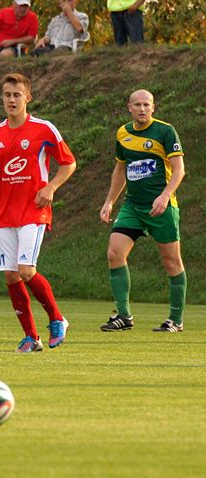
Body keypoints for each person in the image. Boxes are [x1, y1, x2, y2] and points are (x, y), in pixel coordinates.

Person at [0, 73, 76, 353]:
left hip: (33, 210)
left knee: (27, 271)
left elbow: (68, 163)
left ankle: (57, 319)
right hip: (4, 214)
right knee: (11, 276)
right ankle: (31, 337)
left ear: (28, 98)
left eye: (16, 95)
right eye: (7, 95)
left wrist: (51, 187)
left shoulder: (43, 129)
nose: (11, 100)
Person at [99, 90, 186, 333]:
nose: (142, 109)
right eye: (137, 104)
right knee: (114, 253)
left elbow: (179, 170)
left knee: (171, 262)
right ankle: (124, 316)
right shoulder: (123, 133)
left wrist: (165, 195)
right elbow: (120, 170)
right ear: (129, 107)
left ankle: (176, 320)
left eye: (146, 104)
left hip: (162, 207)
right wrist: (109, 202)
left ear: (153, 107)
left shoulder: (165, 131)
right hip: (132, 207)